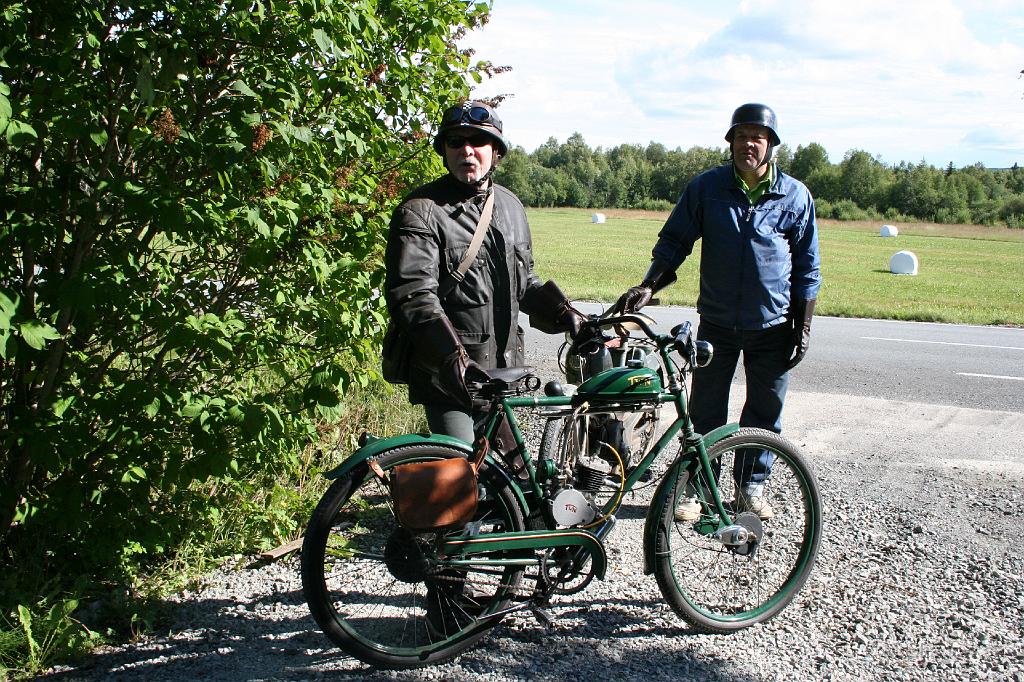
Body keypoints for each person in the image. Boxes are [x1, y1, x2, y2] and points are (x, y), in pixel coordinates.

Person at [616, 103, 821, 521]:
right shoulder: (707, 188)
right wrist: (649, 285)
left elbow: (807, 266)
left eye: (757, 137)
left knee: (764, 414)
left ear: (771, 146)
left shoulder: (795, 196)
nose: (749, 143)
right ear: (730, 143)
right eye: (741, 136)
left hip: (774, 325)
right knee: (706, 409)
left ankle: (750, 487)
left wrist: (803, 327)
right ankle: (698, 490)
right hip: (718, 323)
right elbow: (675, 242)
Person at [384, 100, 583, 443]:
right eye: (456, 142)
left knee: (513, 481)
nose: (467, 151)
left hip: (500, 374)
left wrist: (566, 314)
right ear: (444, 152)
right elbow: (413, 298)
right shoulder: (420, 211)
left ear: (496, 152)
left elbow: (526, 283)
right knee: (462, 474)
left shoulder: (510, 207)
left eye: (477, 142)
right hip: (448, 376)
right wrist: (456, 361)